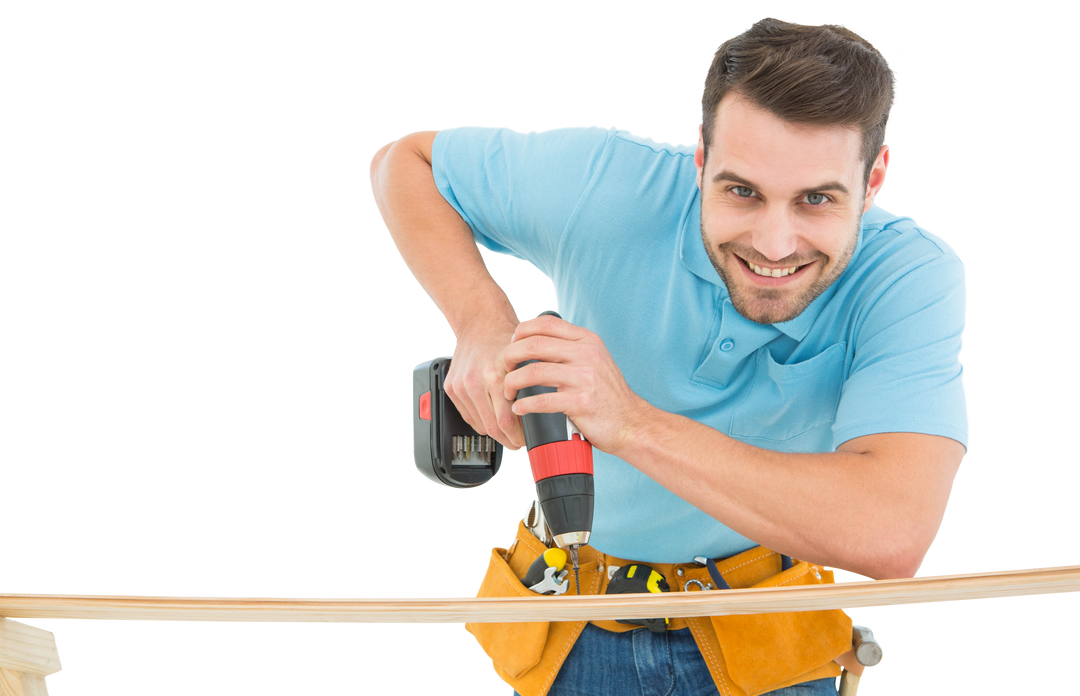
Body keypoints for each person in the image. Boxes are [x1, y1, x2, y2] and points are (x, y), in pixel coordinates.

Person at [368, 14, 969, 696]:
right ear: (702, 156)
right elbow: (403, 164)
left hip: (762, 628)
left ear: (875, 178)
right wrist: (481, 324)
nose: (775, 245)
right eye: (742, 190)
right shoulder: (605, 183)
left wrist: (628, 422)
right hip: (573, 616)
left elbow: (891, 534)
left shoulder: (912, 275)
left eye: (816, 200)